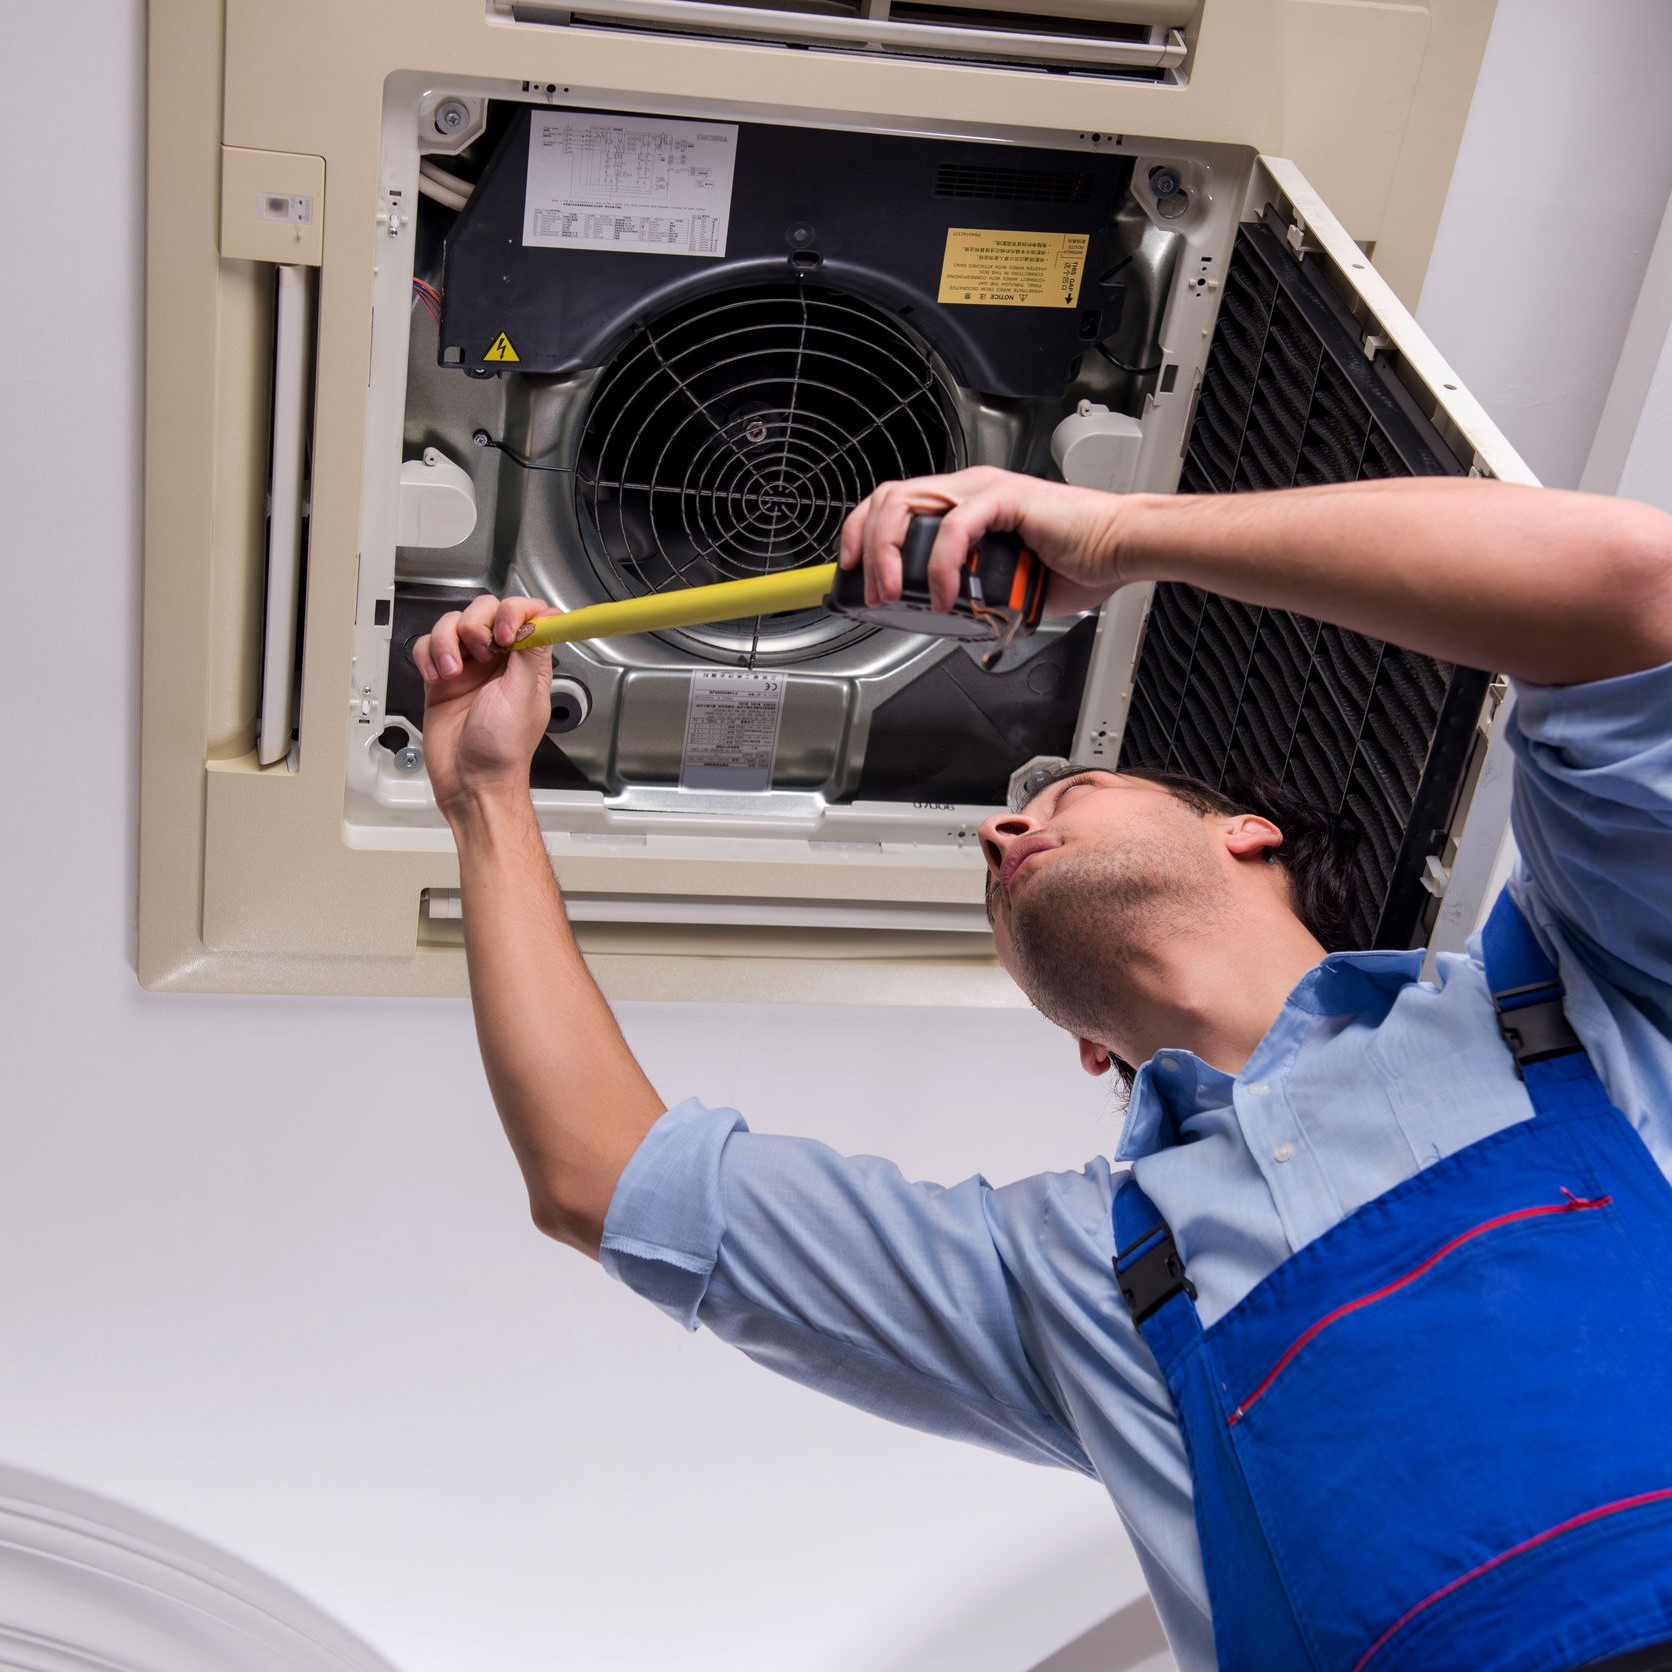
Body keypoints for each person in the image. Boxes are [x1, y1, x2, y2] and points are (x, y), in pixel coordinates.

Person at [413, 468, 1672, 1671]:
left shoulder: (1574, 983)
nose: (998, 824)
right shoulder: (1075, 1277)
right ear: (1084, 1047)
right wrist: (485, 799)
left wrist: (1120, 535)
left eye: (1065, 787)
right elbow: (599, 1171)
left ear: (1249, 833)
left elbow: (1633, 589)